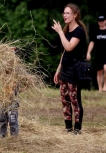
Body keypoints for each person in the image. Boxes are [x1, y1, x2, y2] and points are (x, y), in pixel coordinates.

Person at [52, 3, 87, 135]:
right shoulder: (67, 31)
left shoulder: (79, 31)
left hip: (75, 70)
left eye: (67, 13)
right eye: (64, 13)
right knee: (64, 99)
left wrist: (60, 32)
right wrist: (58, 70)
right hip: (65, 69)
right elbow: (65, 54)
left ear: (75, 15)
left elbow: (69, 47)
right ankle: (68, 126)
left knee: (74, 99)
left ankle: (77, 128)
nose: (64, 15)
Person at [86, 15, 106, 91]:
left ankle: (105, 86)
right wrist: (88, 52)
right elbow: (92, 43)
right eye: (100, 21)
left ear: (105, 21)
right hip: (98, 54)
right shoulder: (95, 32)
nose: (101, 22)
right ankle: (100, 89)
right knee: (99, 71)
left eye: (103, 20)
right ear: (98, 22)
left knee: (105, 68)